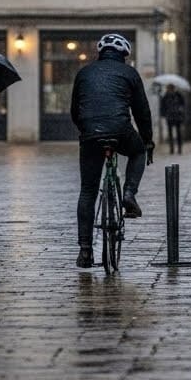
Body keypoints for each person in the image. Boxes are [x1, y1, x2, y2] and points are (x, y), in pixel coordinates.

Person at [70, 33, 154, 268]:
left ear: (100, 52)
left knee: (88, 191)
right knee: (138, 152)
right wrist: (147, 141)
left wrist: (87, 129)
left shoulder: (84, 72)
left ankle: (85, 252)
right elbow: (142, 112)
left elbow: (74, 110)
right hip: (120, 130)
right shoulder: (130, 74)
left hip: (90, 133)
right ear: (124, 55)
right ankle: (129, 193)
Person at [160, 83, 187, 155]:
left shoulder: (179, 95)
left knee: (178, 133)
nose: (169, 90)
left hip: (178, 117)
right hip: (169, 117)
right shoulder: (165, 96)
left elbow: (183, 104)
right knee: (170, 133)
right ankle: (171, 149)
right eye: (168, 88)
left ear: (173, 88)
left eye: (170, 88)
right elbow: (162, 106)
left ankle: (179, 148)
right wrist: (163, 114)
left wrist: (181, 110)